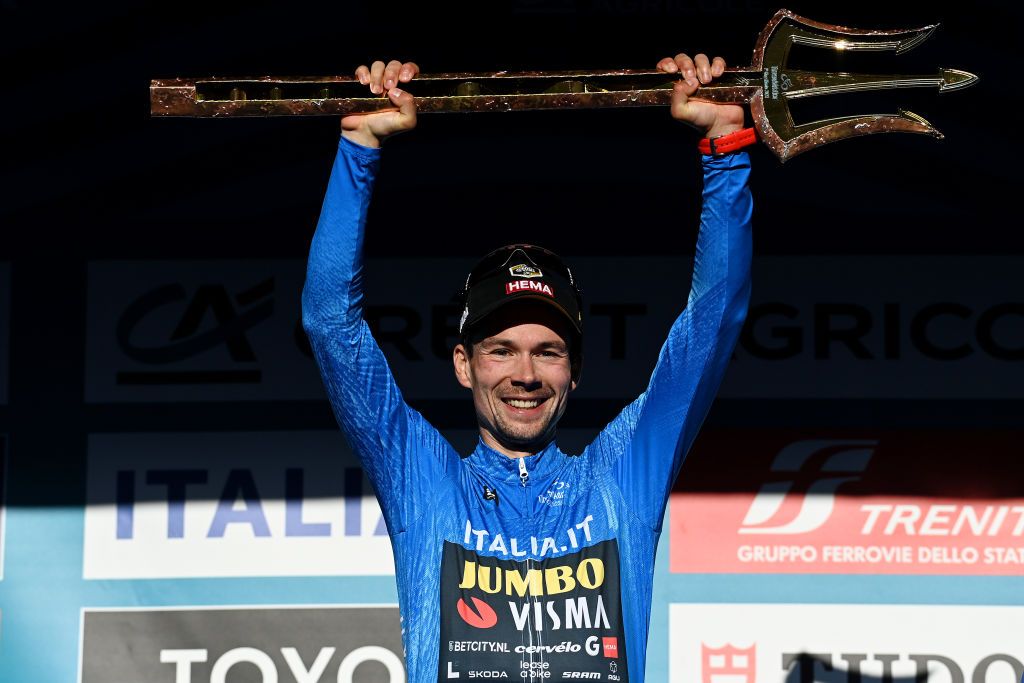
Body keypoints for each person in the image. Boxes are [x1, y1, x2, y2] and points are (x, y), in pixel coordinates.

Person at [302, 53, 752, 683]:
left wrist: (724, 148)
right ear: (463, 365)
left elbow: (711, 326)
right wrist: (359, 147)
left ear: (575, 370)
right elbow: (331, 326)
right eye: (500, 349)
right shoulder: (423, 479)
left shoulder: (620, 479)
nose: (525, 375)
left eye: (548, 351)